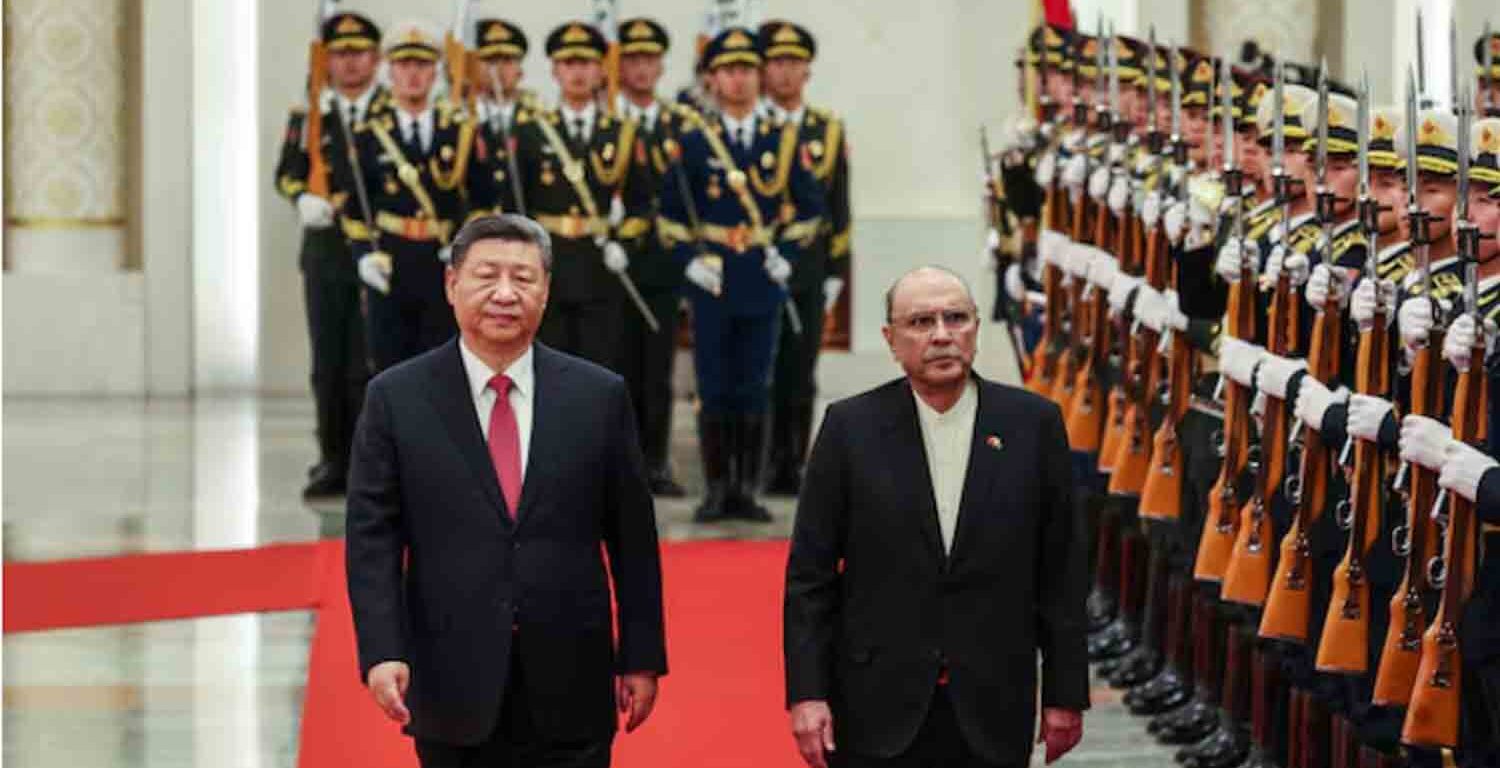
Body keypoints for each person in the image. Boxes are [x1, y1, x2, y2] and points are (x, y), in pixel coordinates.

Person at [347, 214, 667, 767]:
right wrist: (382, 651)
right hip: (451, 678)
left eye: (523, 278)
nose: (504, 293)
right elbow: (372, 540)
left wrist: (641, 656)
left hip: (572, 677)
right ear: (452, 285)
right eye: (486, 275)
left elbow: (633, 539)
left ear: (546, 290)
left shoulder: (599, 396)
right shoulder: (396, 399)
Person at [783, 266, 1089, 767]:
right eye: (921, 322)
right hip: (875, 705)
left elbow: (1061, 574)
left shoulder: (1033, 425)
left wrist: (1065, 693)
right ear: (891, 339)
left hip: (993, 702)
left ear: (976, 327)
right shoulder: (850, 429)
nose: (942, 335)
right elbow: (809, 578)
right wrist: (807, 695)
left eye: (956, 318)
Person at [657, 26, 825, 523]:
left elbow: (812, 210)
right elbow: (667, 215)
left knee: (755, 383)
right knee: (714, 385)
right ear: (712, 79)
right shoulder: (691, 143)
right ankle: (715, 489)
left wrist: (787, 257)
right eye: (729, 71)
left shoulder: (783, 140)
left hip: (760, 277)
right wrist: (689, 260)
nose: (739, 80)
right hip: (713, 281)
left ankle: (746, 489)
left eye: (748, 70)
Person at [273, 10, 387, 498]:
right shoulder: (309, 113)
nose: (349, 62)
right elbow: (285, 172)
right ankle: (331, 457)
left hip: (380, 253)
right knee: (329, 360)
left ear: (376, 58)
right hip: (325, 253)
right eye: (340, 53)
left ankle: (372, 459)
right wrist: (302, 198)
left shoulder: (391, 113)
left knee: (373, 359)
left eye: (359, 52)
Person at [506, 22, 653, 370]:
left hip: (600, 268)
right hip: (548, 268)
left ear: (602, 70)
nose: (578, 72)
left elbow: (642, 205)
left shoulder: (622, 134)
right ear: (555, 71)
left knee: (599, 368)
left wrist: (624, 244)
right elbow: (517, 206)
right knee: (547, 370)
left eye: (586, 63)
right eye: (568, 63)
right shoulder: (529, 132)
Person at [757, 20, 854, 497]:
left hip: (808, 267)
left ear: (808, 70)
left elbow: (839, 205)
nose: (785, 73)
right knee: (756, 368)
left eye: (794, 63)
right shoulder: (751, 127)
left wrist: (836, 271)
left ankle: (791, 462)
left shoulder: (826, 130)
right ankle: (754, 461)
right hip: (756, 263)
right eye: (777, 63)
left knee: (799, 370)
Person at [349, 22, 473, 370]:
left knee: (443, 366)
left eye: (422, 65)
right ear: (390, 72)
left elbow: (482, 199)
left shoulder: (460, 131)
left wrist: (466, 245)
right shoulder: (369, 134)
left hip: (444, 261)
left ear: (436, 72)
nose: (413, 75)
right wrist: (363, 256)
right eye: (404, 65)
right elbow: (355, 206)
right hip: (390, 259)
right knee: (389, 364)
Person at [609, 16, 692, 497]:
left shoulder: (677, 123)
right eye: (632, 58)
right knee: (611, 369)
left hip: (659, 264)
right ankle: (615, 464)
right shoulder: (602, 120)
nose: (641, 67)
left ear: (661, 65)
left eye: (649, 58)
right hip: (607, 267)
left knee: (655, 371)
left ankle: (656, 461)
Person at [466, 17, 534, 218]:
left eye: (507, 61)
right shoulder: (463, 117)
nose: (498, 69)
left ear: (520, 69)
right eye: (489, 61)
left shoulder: (537, 119)